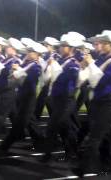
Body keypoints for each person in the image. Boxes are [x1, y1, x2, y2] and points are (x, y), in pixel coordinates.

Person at [77, 30, 111, 176]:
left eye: (103, 43)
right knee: (103, 136)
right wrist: (83, 66)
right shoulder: (99, 60)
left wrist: (90, 64)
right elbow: (82, 80)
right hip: (97, 100)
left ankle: (86, 168)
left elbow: (100, 81)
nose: (99, 45)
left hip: (107, 102)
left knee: (95, 137)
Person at [41, 33, 83, 162]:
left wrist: (54, 67)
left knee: (52, 126)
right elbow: (46, 77)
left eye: (63, 46)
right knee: (65, 128)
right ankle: (72, 152)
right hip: (57, 99)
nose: (60, 48)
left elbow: (69, 78)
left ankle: (47, 155)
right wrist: (49, 65)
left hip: (67, 100)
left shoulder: (74, 64)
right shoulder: (59, 60)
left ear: (71, 48)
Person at [0, 41, 44, 152]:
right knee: (31, 123)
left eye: (31, 51)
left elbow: (29, 79)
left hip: (29, 97)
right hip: (22, 96)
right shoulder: (26, 63)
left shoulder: (36, 66)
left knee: (20, 123)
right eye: (28, 51)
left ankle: (5, 145)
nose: (28, 53)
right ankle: (41, 143)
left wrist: (17, 71)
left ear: (37, 54)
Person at [34, 37, 61, 121]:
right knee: (47, 104)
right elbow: (44, 68)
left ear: (51, 46)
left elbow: (56, 70)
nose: (45, 46)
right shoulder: (46, 56)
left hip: (50, 84)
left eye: (46, 45)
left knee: (41, 104)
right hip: (45, 83)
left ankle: (34, 122)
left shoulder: (56, 56)